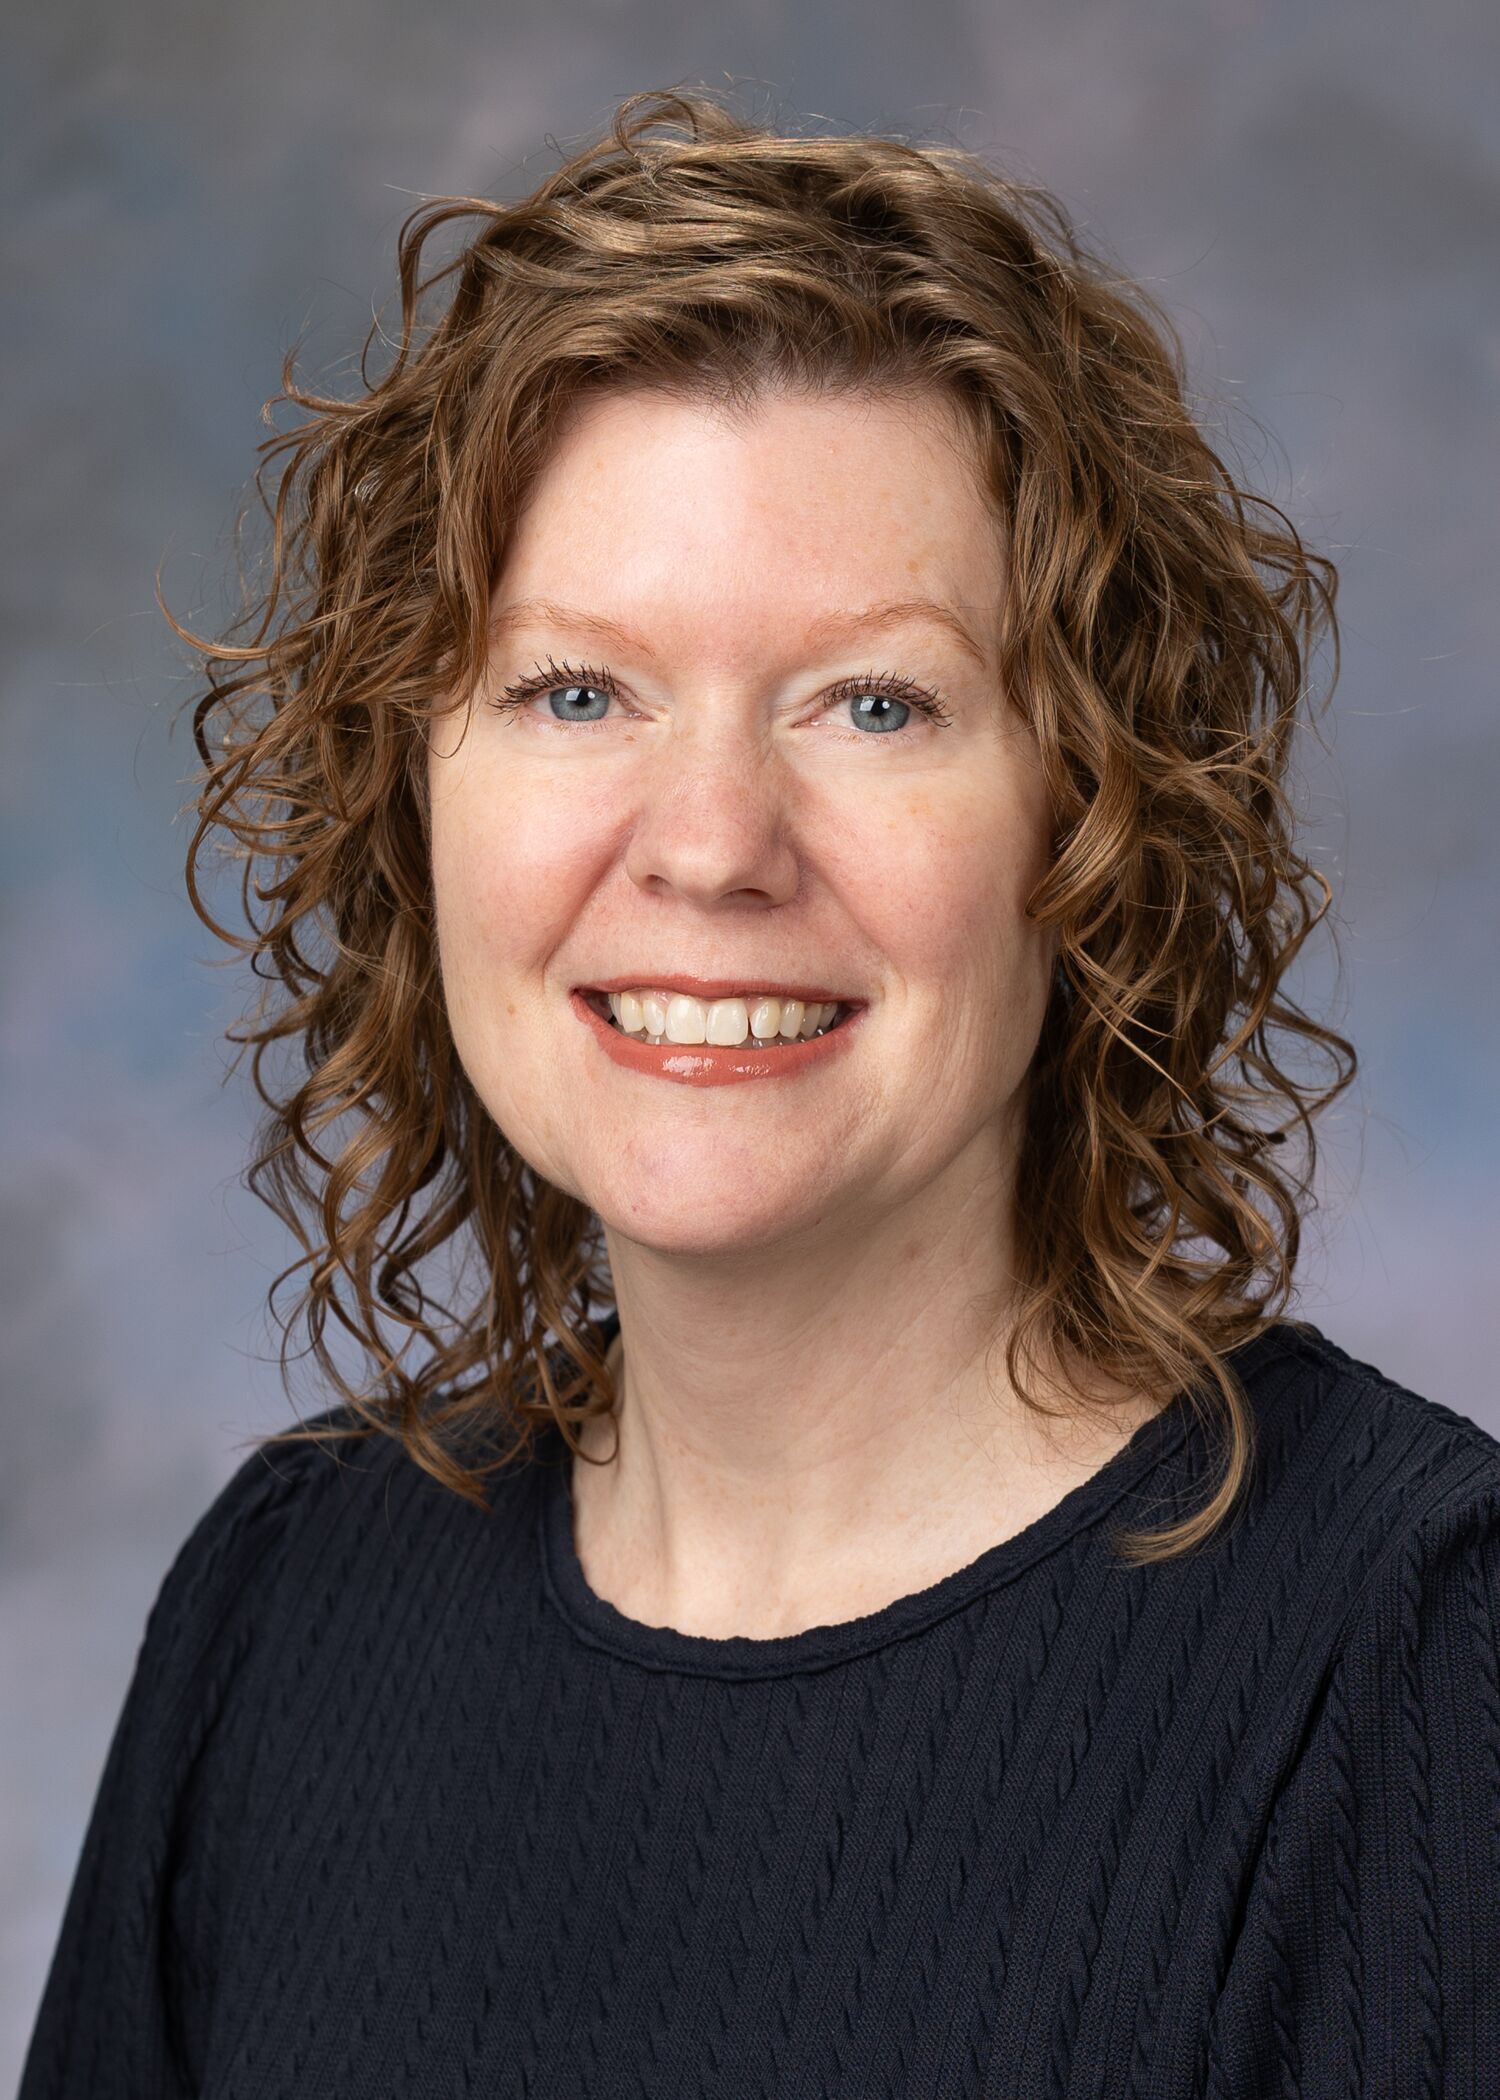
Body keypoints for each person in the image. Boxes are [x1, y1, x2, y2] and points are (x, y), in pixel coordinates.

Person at [20, 85, 1500, 2100]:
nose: (712, 844)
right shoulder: (285, 1608)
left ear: (1097, 821)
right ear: (412, 789)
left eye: (875, 703)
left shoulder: (1412, 1657)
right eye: (577, 691)